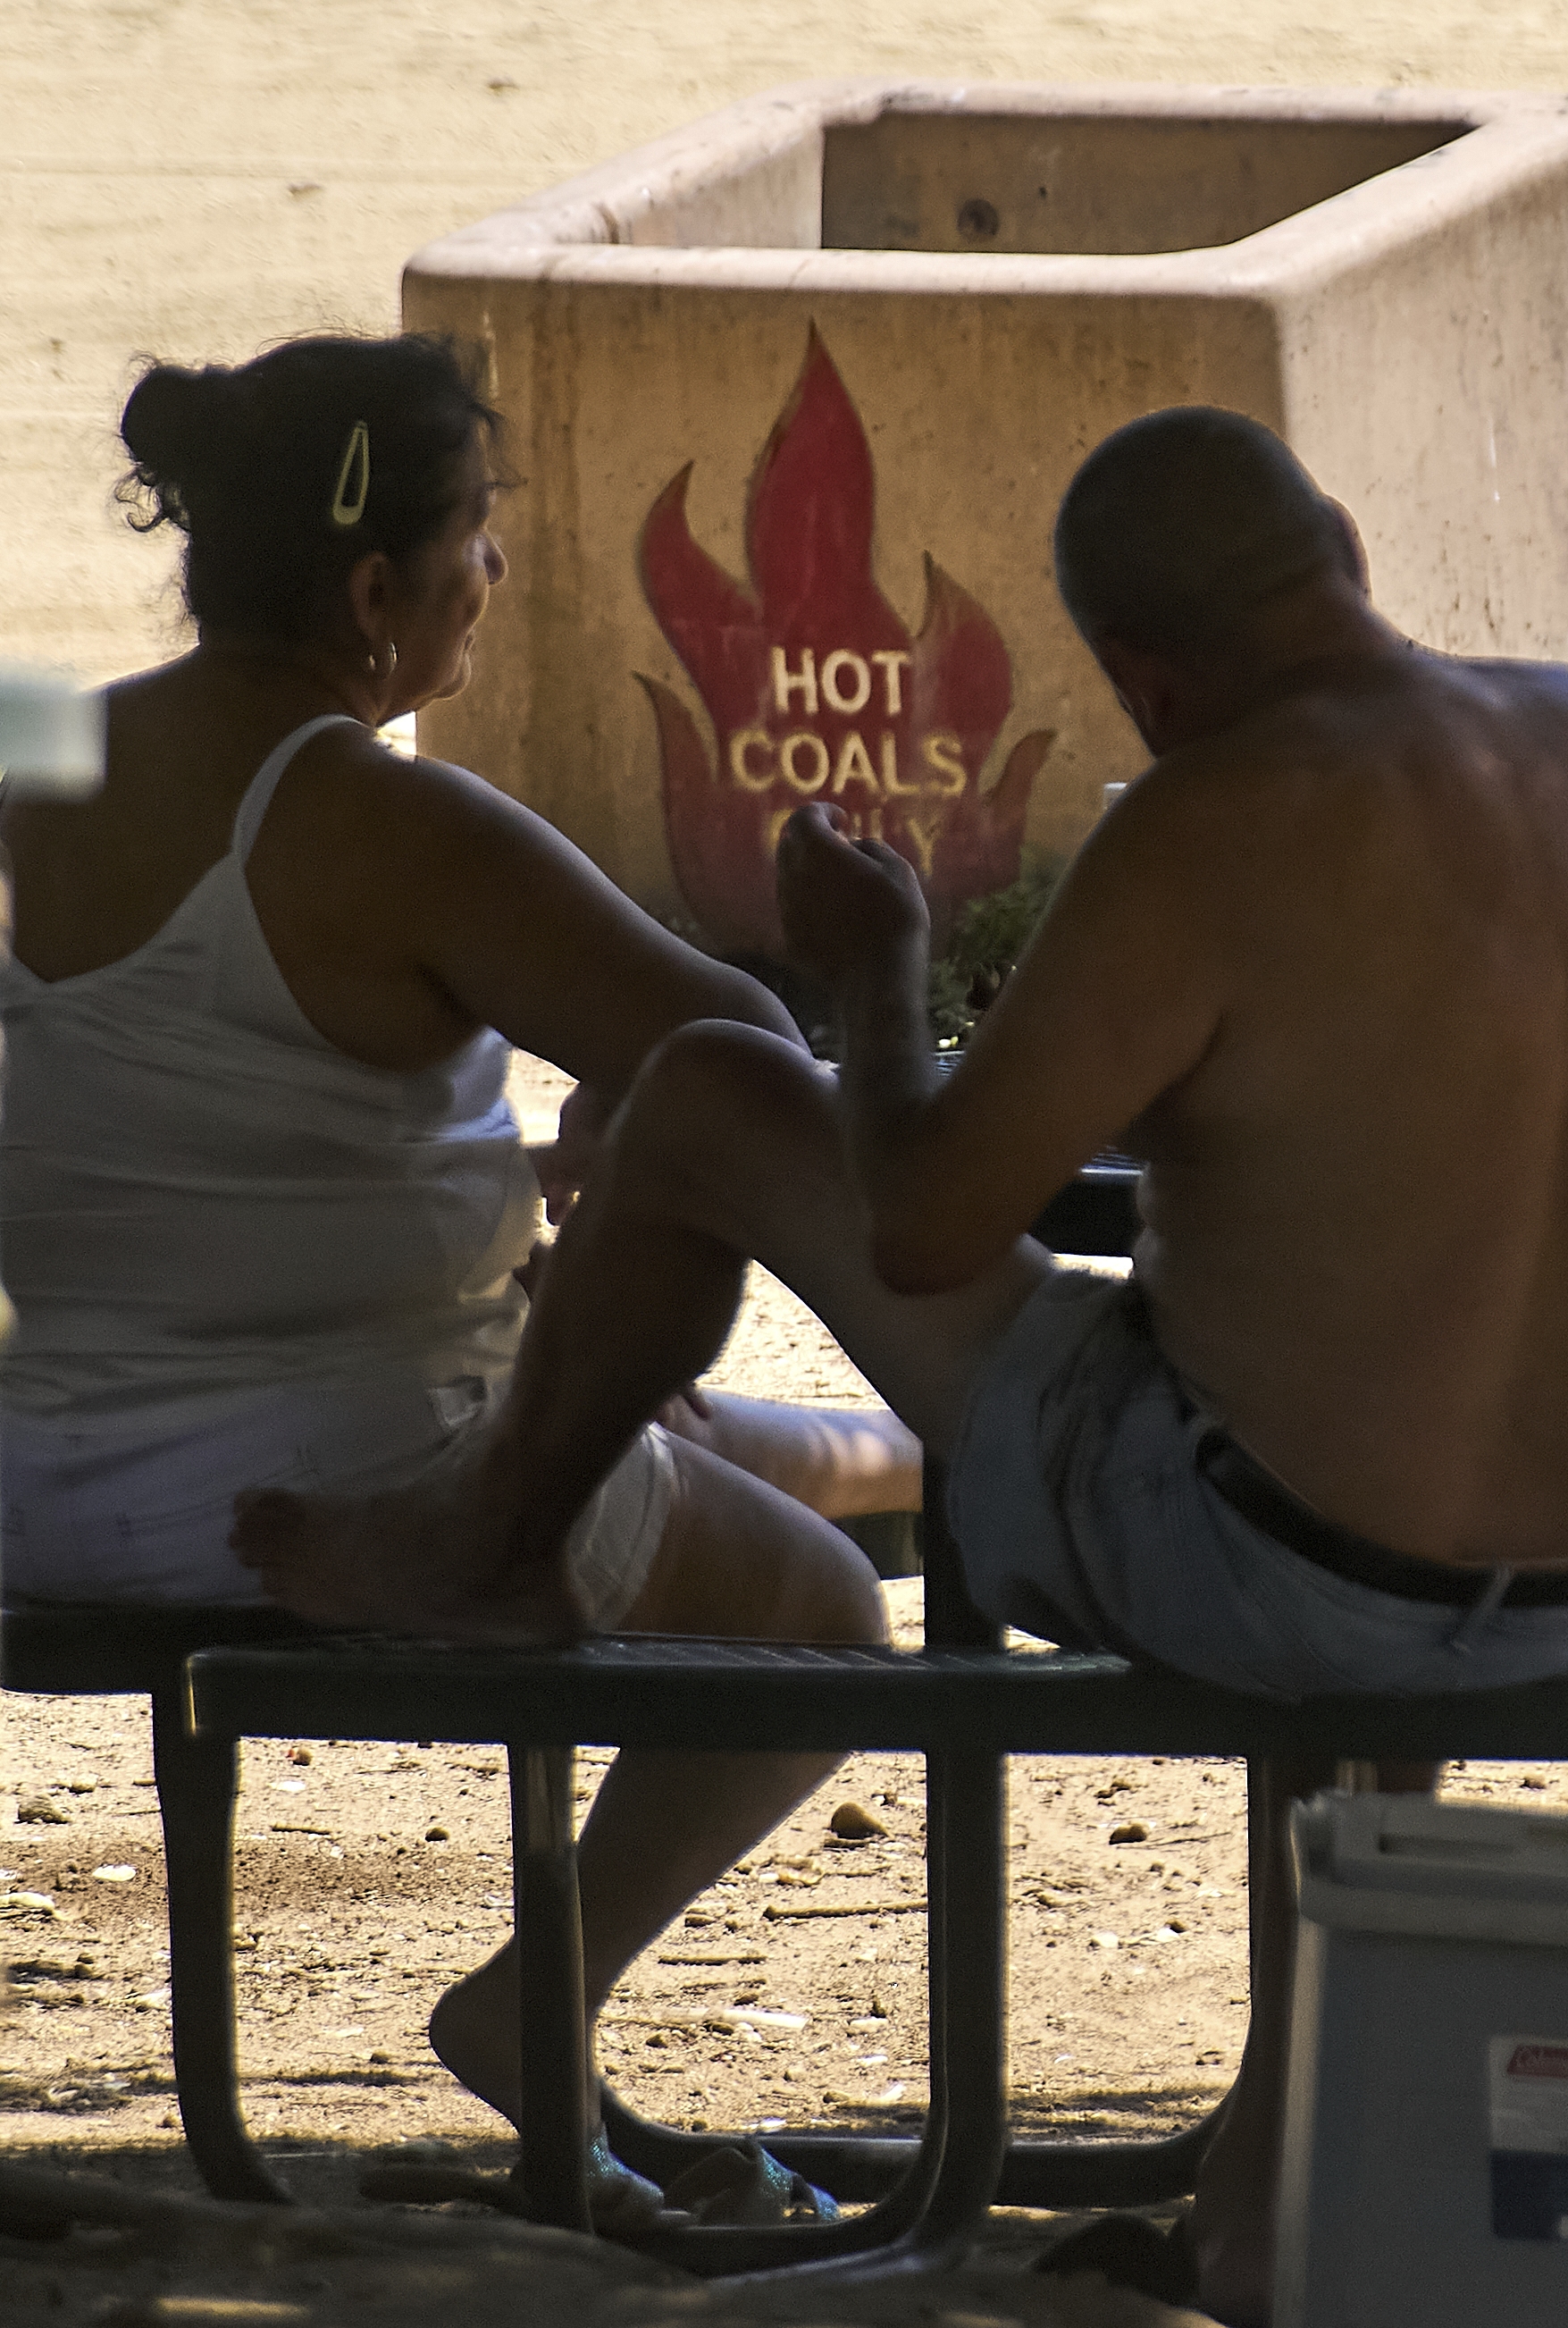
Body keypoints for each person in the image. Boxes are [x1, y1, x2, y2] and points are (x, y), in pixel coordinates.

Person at [239, 405, 1568, 2318]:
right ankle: (1267, 2204)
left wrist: (874, 962)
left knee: (706, 1094)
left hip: (1267, 1567)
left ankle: (496, 1527)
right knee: (1331, 1414)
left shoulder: (1207, 814)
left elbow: (936, 1216)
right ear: (1344, 542)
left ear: (1148, 680)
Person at [0, 332, 920, 2189]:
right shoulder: (383, 815)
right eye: (477, 544)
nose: (491, 583)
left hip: (44, 1476)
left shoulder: (44, 741)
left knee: (734, 1431)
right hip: (356, 1470)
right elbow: (734, 1054)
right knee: (833, 1624)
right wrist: (611, 1143)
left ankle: (922, 1460)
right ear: (370, 592)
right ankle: (531, 2002)